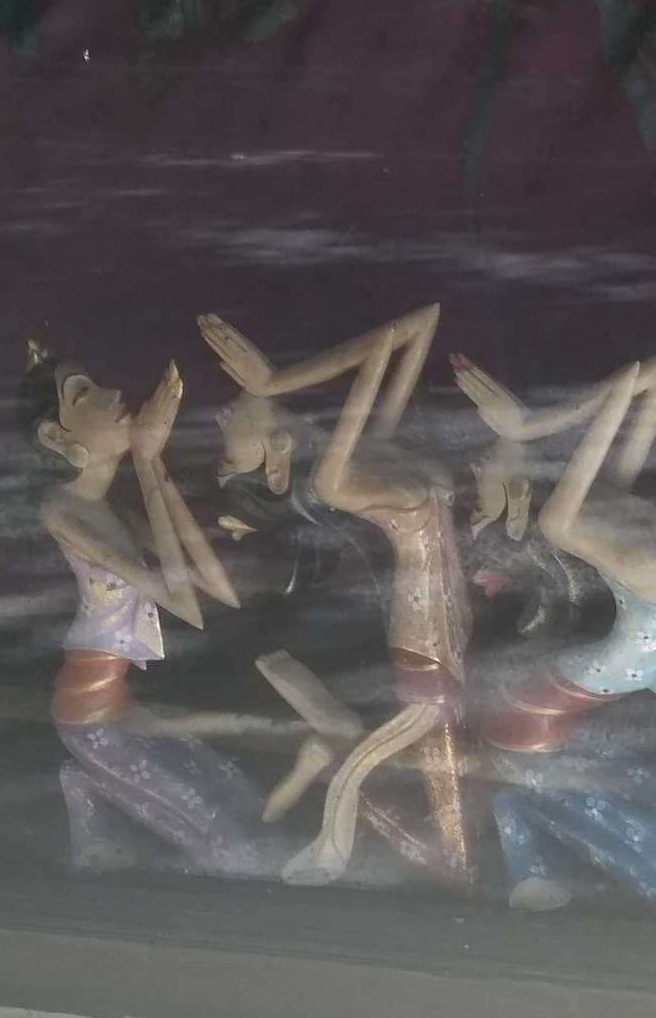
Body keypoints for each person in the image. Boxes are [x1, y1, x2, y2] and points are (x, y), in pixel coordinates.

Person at [201, 306, 484, 889]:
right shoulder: (334, 481)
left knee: (452, 783)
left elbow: (417, 325)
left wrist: (274, 382)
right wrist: (273, 382)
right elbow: (381, 350)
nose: (224, 416)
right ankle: (342, 816)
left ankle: (331, 756)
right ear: (276, 457)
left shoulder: (365, 448)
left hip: (453, 631)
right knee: (448, 828)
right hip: (422, 642)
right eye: (230, 448)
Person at [452, 345, 656, 919]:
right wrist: (527, 428)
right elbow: (631, 390)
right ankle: (536, 856)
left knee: (554, 766)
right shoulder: (593, 515)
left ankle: (525, 838)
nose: (477, 472)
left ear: (522, 493)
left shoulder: (576, 516)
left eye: (488, 466)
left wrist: (527, 427)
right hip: (583, 678)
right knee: (543, 762)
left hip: (608, 671)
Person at [17, 341, 276, 877]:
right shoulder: (60, 508)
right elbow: (182, 604)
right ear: (56, 436)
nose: (113, 395)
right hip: (88, 714)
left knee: (241, 795)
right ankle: (90, 782)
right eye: (83, 394)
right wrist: (146, 459)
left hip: (118, 704)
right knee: (229, 845)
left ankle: (88, 784)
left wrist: (153, 466)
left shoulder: (112, 507)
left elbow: (214, 590)